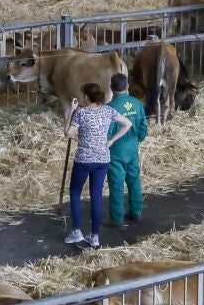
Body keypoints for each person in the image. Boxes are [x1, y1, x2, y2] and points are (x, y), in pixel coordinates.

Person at [63, 83, 128, 247]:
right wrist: (111, 140)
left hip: (84, 160)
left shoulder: (81, 113)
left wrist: (71, 110)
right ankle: (95, 236)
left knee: (75, 193)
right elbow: (127, 124)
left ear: (86, 97)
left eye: (83, 94)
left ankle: (77, 232)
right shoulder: (108, 110)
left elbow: (68, 134)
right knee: (96, 195)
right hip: (102, 159)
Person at [105, 73, 148, 228]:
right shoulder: (137, 104)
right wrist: (138, 140)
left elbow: (108, 133)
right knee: (134, 180)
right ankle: (136, 212)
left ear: (111, 88)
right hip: (132, 148)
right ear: (127, 86)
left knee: (116, 183)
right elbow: (143, 127)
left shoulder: (109, 107)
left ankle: (117, 218)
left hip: (116, 150)